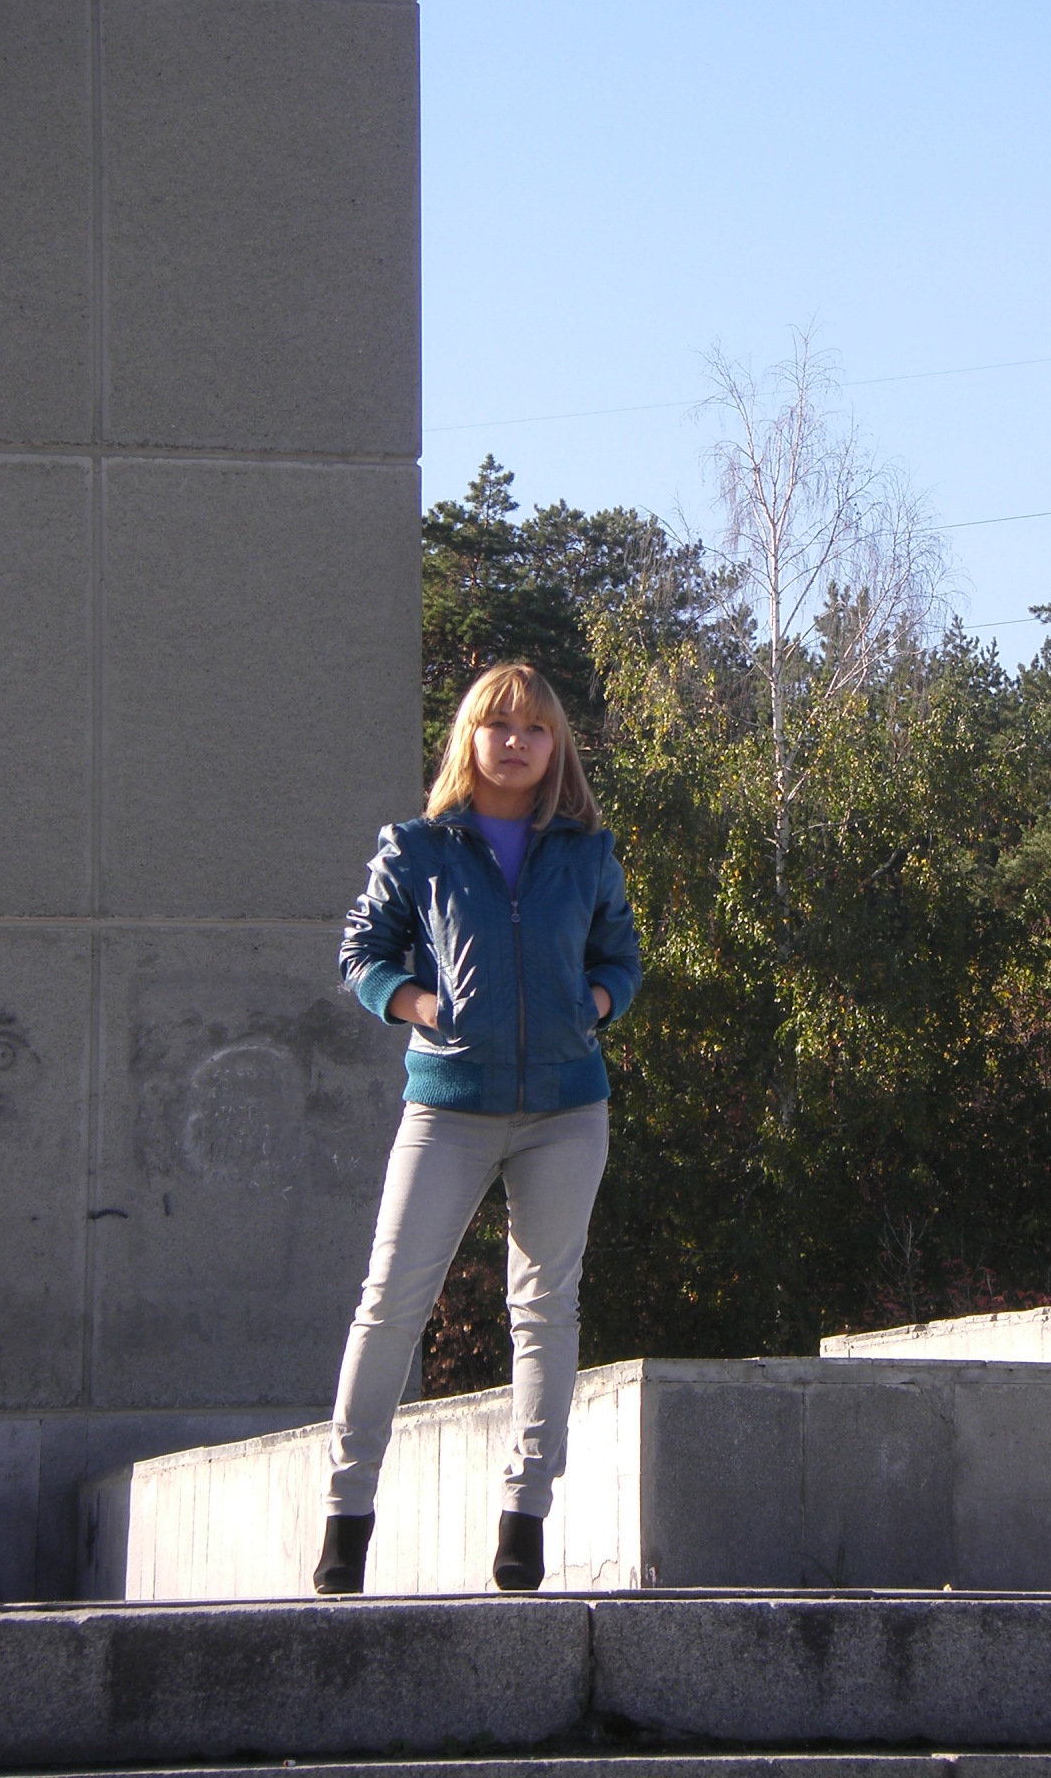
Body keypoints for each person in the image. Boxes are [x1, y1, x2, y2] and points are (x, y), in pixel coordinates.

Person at [314, 662, 642, 1596]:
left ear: (555, 745)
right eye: (499, 725)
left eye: (535, 729)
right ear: (470, 736)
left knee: (544, 1309)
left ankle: (524, 1521)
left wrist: (595, 1002)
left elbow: (621, 956)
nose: (516, 742)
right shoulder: (418, 846)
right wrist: (417, 1004)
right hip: (448, 1107)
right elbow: (362, 951)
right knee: (390, 1303)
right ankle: (345, 1519)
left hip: (566, 1109)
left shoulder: (587, 850)